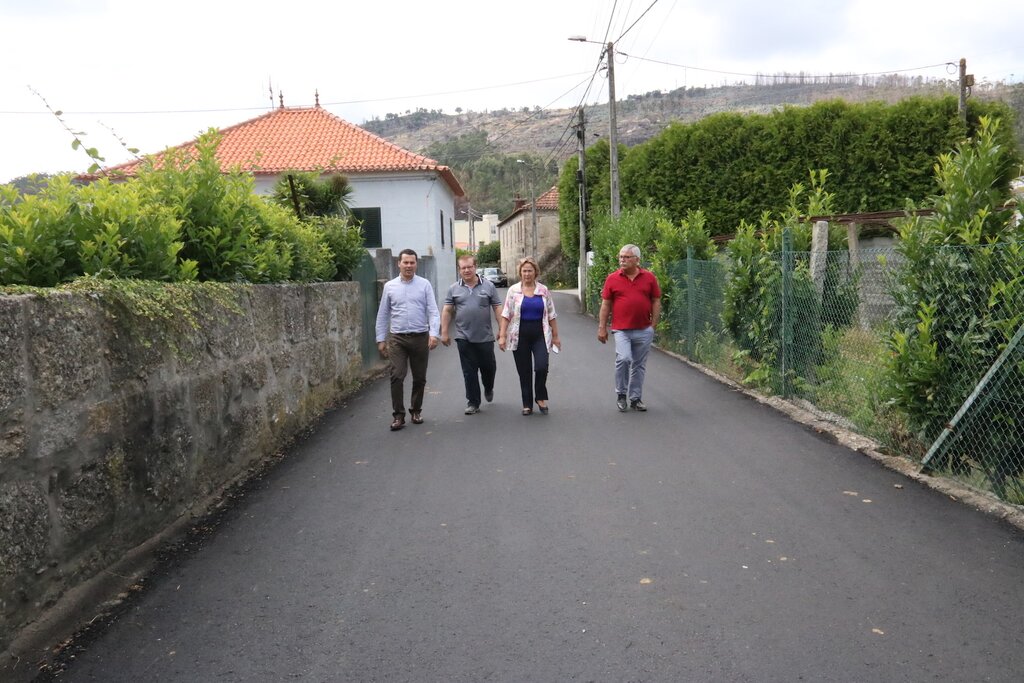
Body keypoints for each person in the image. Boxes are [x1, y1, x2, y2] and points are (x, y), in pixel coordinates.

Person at [375, 249, 440, 431]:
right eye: (406, 262)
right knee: (397, 375)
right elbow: (383, 314)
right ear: (399, 263)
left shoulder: (424, 285)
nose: (409, 266)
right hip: (398, 339)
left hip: (420, 337)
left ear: (416, 264)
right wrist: (381, 339)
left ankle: (416, 410)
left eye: (412, 262)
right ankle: (398, 415)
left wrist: (434, 334)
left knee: (419, 378)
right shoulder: (390, 286)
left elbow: (433, 311)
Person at [597, 244, 662, 412]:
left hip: (643, 329)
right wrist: (602, 327)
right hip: (621, 330)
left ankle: (635, 398)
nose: (622, 260)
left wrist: (653, 325)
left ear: (637, 260)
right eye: (620, 257)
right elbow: (606, 305)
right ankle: (621, 394)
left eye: (626, 257)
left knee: (639, 365)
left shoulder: (649, 278)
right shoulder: (612, 278)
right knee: (624, 359)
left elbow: (656, 300)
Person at [440, 254, 503, 415]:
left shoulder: (488, 286)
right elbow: (447, 310)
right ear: (459, 270)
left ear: (475, 267)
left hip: (485, 337)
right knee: (469, 371)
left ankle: (488, 387)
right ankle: (473, 402)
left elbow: (497, 308)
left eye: (469, 267)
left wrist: (502, 330)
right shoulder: (453, 289)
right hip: (463, 337)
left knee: (489, 368)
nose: (467, 270)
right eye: (463, 268)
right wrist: (444, 332)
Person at [498, 257, 561, 415]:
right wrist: (502, 335)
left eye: (530, 271)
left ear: (535, 272)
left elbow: (552, 314)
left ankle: (540, 397)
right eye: (524, 271)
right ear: (520, 273)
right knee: (524, 371)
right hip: (519, 335)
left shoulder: (543, 290)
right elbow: (506, 314)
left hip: (540, 334)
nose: (527, 274)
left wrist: (555, 336)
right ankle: (527, 404)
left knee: (541, 366)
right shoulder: (513, 291)